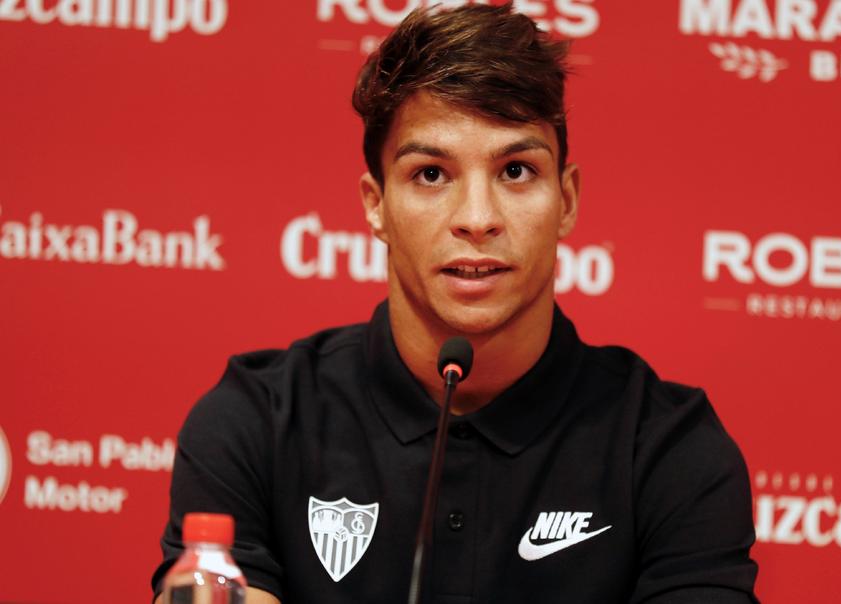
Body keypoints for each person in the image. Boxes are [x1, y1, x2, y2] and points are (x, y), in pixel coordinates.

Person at [152, 4, 758, 603]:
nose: (477, 218)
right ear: (376, 205)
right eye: (431, 175)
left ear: (567, 200)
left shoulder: (668, 448)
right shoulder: (256, 420)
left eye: (516, 171)